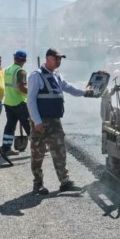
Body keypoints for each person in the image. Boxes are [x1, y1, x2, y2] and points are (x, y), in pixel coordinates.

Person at [26, 47, 93, 194]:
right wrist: (36, 121)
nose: (59, 61)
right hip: (41, 122)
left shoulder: (56, 75)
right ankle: (38, 184)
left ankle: (65, 182)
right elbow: (30, 101)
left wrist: (85, 92)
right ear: (48, 58)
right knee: (38, 153)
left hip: (55, 122)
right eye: (57, 58)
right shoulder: (36, 76)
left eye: (60, 58)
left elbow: (69, 88)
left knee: (60, 151)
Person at [0, 50, 31, 157]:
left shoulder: (8, 69)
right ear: (24, 60)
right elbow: (21, 87)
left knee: (10, 125)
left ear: (14, 58)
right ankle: (38, 146)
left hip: (8, 102)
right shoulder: (21, 71)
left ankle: (6, 147)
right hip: (19, 103)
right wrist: (32, 92)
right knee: (29, 125)